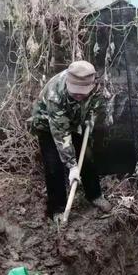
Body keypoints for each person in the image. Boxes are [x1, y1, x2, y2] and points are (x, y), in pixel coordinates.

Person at [31, 60, 111, 222]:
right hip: (48, 124)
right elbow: (60, 133)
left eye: (82, 92)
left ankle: (95, 195)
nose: (78, 95)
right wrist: (72, 166)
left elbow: (98, 105)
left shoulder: (97, 86)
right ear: (68, 81)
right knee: (54, 166)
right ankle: (58, 208)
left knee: (87, 157)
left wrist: (91, 119)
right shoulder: (55, 94)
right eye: (75, 91)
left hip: (75, 121)